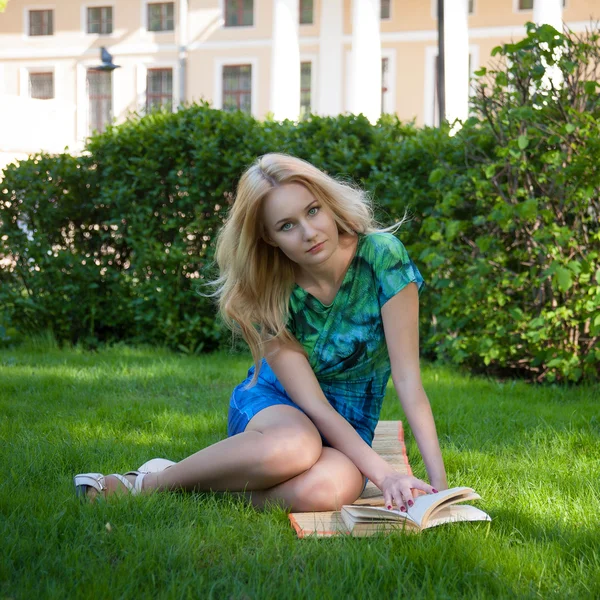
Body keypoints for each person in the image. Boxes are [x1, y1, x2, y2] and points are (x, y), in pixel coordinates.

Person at [74, 153, 448, 513]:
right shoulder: (268, 289)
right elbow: (314, 405)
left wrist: (440, 489)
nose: (309, 232)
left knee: (330, 489)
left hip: (351, 420)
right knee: (296, 446)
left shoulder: (383, 258)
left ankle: (200, 493)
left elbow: (407, 380)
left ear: (328, 203)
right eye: (287, 225)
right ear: (270, 238)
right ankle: (145, 484)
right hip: (275, 408)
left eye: (313, 210)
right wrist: (384, 474)